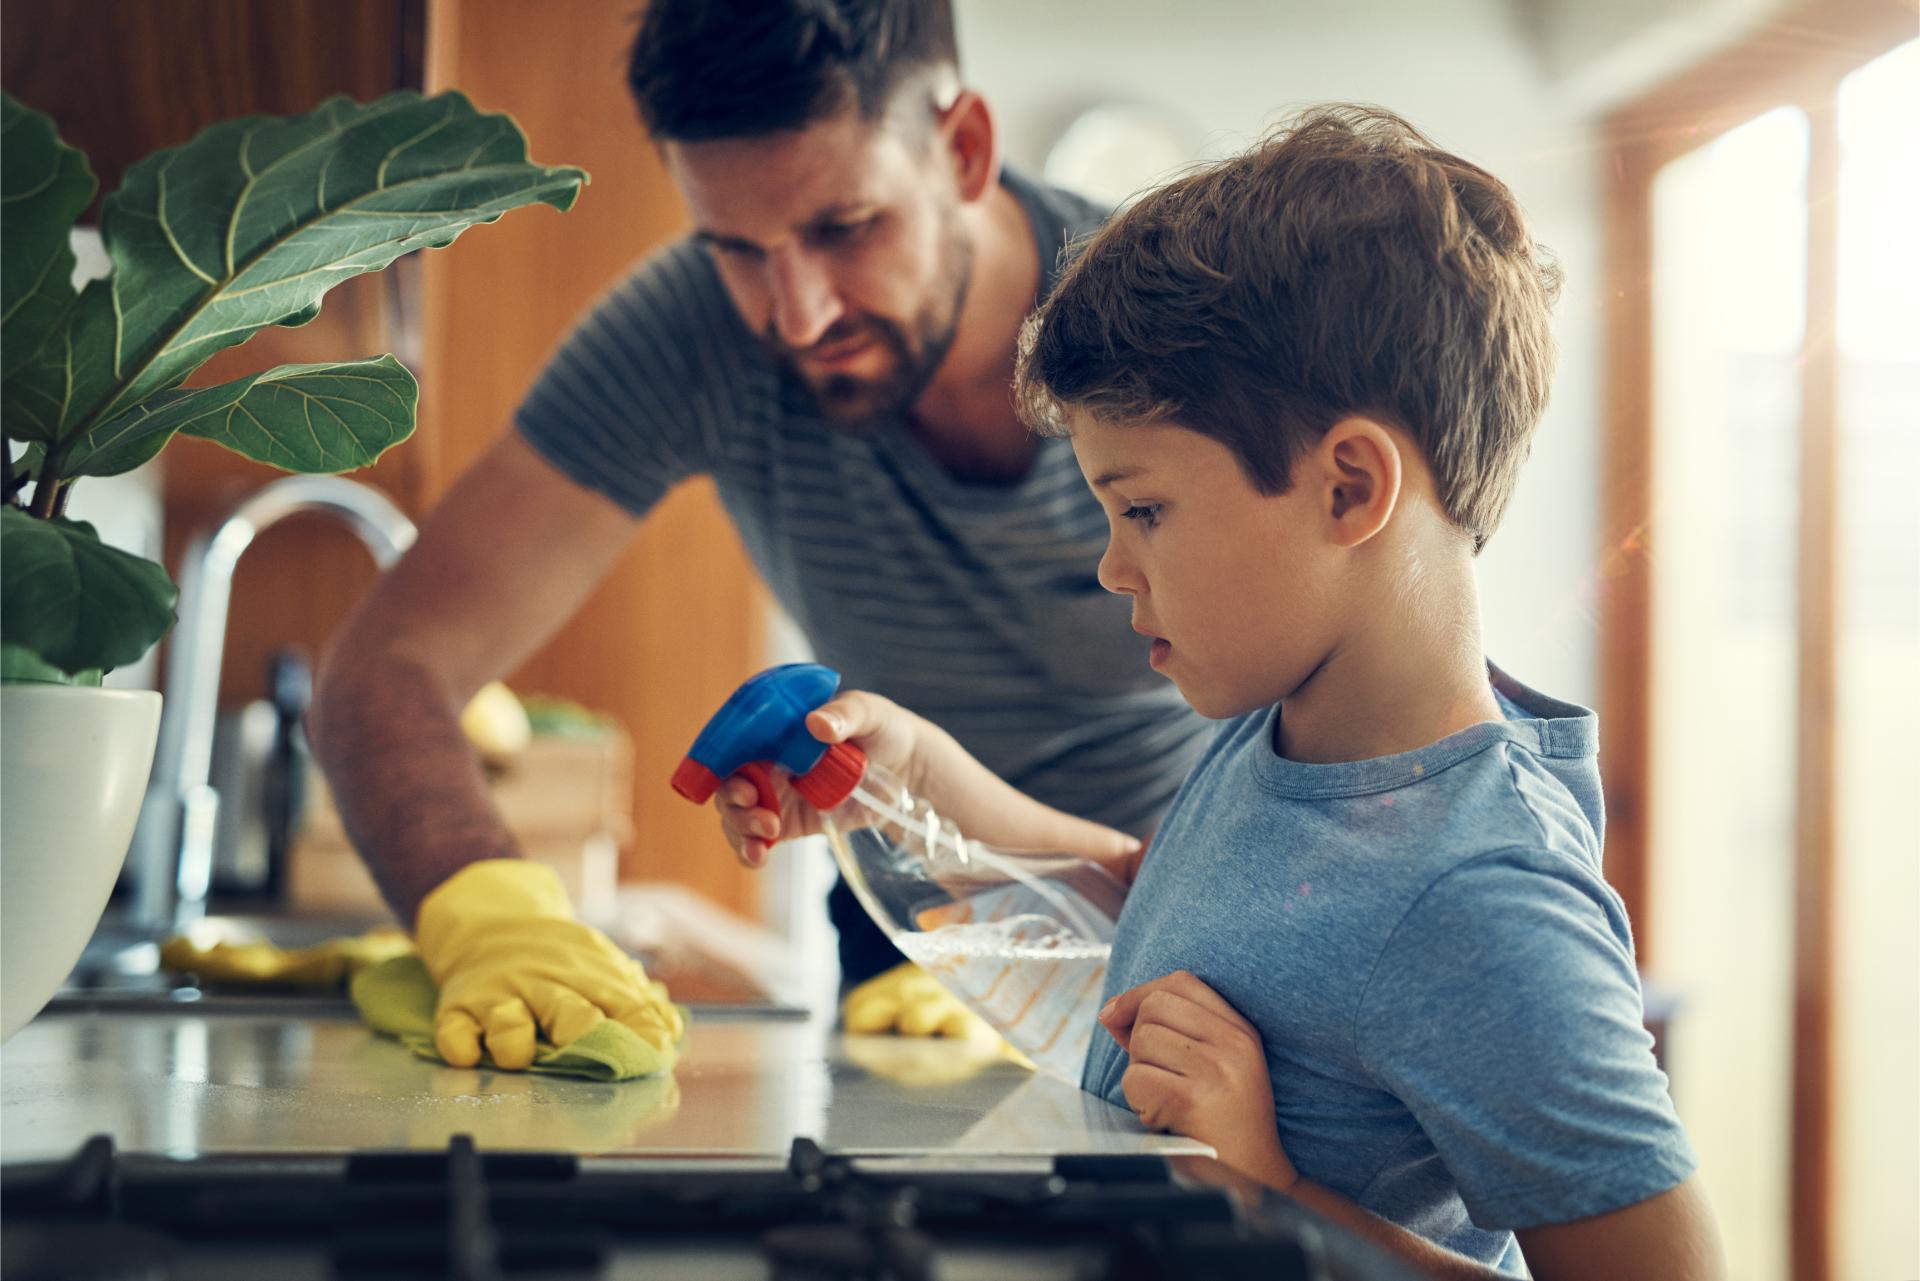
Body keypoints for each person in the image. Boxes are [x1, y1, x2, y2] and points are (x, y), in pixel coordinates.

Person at [715, 106, 1725, 1278]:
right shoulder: (1283, 738)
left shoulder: (1483, 900)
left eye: (1144, 509)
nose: (1113, 566)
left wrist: (1269, 1193)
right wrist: (908, 784)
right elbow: (1160, 910)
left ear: (1350, 488)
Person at [309, 0, 1207, 1070]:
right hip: (916, 943)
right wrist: (489, 913)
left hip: (1200, 912)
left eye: (845, 228)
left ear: (964, 149)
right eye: (737, 248)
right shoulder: (691, 329)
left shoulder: (1176, 326)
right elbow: (388, 666)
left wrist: (1132, 924)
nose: (796, 314)